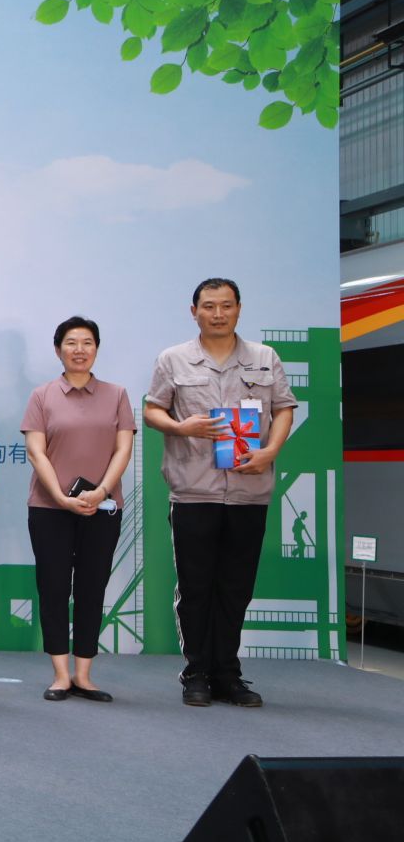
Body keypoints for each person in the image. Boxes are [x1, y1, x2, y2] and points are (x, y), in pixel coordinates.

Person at [143, 277, 296, 709]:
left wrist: (270, 451)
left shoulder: (265, 357)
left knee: (235, 587)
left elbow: (284, 408)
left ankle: (228, 674)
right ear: (194, 311)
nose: (218, 313)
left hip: (249, 490)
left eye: (226, 305)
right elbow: (152, 410)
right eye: (209, 306)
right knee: (195, 588)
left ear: (239, 309)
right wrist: (181, 426)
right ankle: (196, 673)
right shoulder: (173, 358)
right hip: (194, 490)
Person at [23, 316, 134, 704]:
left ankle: (84, 674)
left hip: (102, 508)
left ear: (96, 349)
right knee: (54, 587)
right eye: (71, 343)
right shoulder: (42, 396)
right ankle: (60, 674)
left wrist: (102, 490)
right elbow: (36, 451)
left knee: (92, 586)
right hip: (49, 508)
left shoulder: (117, 394)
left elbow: (123, 448)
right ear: (58, 350)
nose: (79, 350)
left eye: (87, 342)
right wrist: (60, 496)